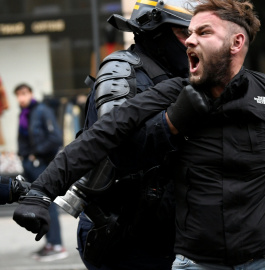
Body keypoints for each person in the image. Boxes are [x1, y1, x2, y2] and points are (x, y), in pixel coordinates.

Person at [12, 0, 265, 269]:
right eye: (187, 32)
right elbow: (99, 139)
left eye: (201, 32)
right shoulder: (171, 92)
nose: (190, 40)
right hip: (190, 259)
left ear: (236, 43)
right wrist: (40, 192)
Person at [53, 1, 194, 269]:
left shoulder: (180, 74)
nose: (192, 42)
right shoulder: (123, 70)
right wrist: (172, 123)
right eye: (184, 33)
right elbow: (116, 141)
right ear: (156, 32)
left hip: (171, 231)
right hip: (125, 230)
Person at [14, 83, 66, 262]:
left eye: (24, 93)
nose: (21, 98)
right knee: (38, 205)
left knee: (46, 204)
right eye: (18, 95)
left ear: (30, 94)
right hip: (30, 165)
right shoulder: (24, 114)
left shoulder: (42, 111)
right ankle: (50, 243)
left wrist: (36, 153)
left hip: (42, 165)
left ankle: (58, 245)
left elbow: (56, 139)